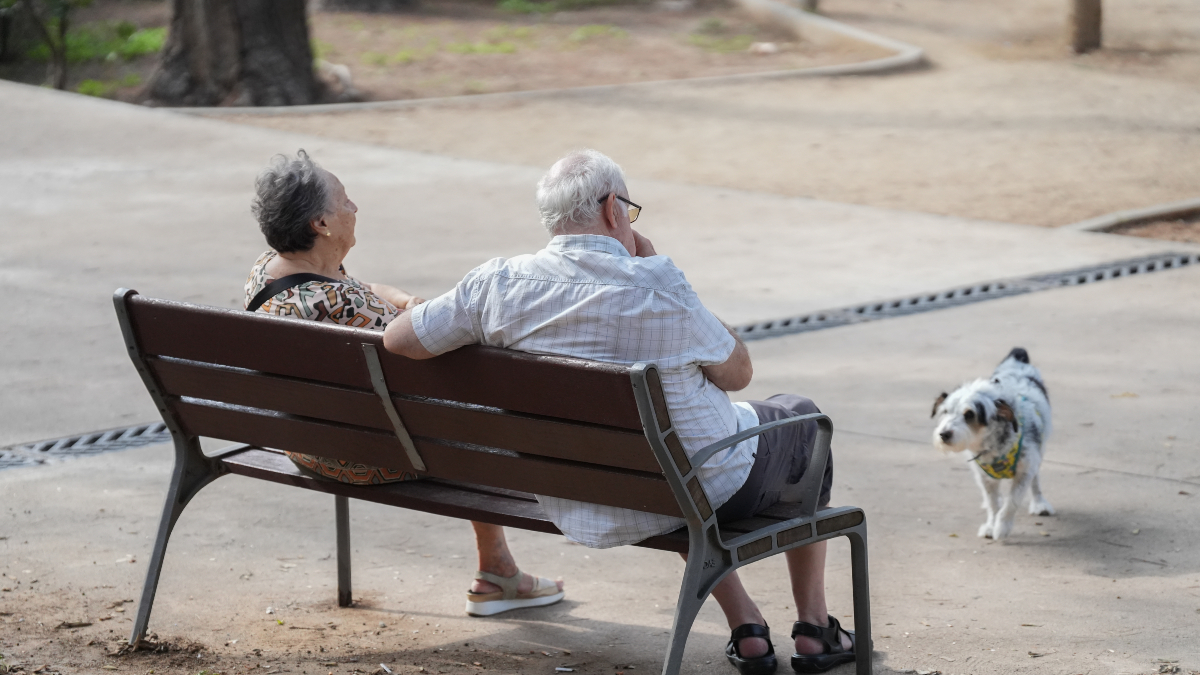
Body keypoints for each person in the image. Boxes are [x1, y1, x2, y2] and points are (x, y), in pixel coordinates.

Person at [382, 149, 856, 675]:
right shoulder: (657, 285)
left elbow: (399, 340)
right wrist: (661, 274)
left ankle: (746, 626)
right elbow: (738, 373)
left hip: (584, 488)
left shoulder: (496, 284)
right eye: (628, 210)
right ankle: (815, 629)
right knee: (802, 421)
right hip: (694, 484)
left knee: (665, 449)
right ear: (613, 209)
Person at [244, 150, 564, 617]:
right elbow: (428, 344)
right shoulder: (346, 306)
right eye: (346, 202)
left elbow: (364, 290)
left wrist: (405, 301)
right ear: (322, 224)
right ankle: (498, 572)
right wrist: (418, 313)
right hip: (368, 456)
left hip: (306, 441)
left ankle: (497, 566)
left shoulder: (273, 272)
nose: (355, 208)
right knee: (476, 409)